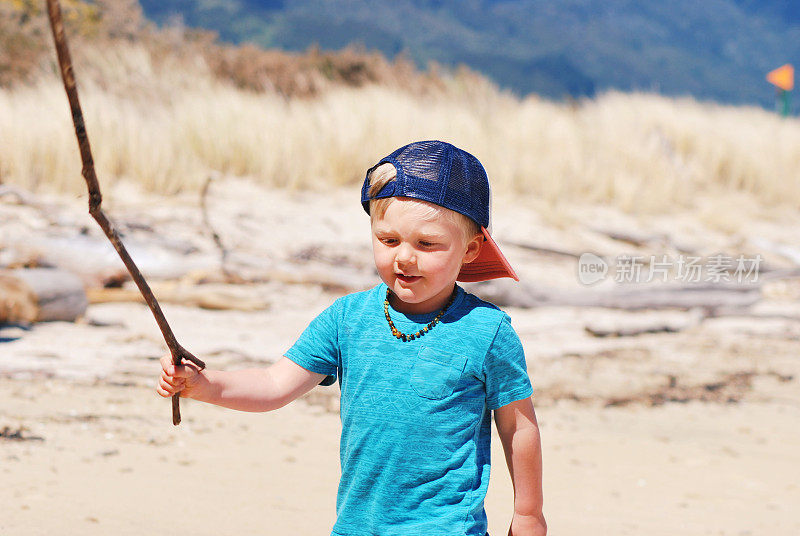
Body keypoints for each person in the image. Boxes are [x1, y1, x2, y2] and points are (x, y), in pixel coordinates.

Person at [157, 140, 546, 536]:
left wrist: (528, 513)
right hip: (358, 526)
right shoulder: (347, 318)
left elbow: (519, 427)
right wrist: (204, 384)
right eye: (388, 240)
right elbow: (274, 385)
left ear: (471, 249)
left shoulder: (486, 330)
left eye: (427, 244)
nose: (404, 257)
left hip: (444, 526)